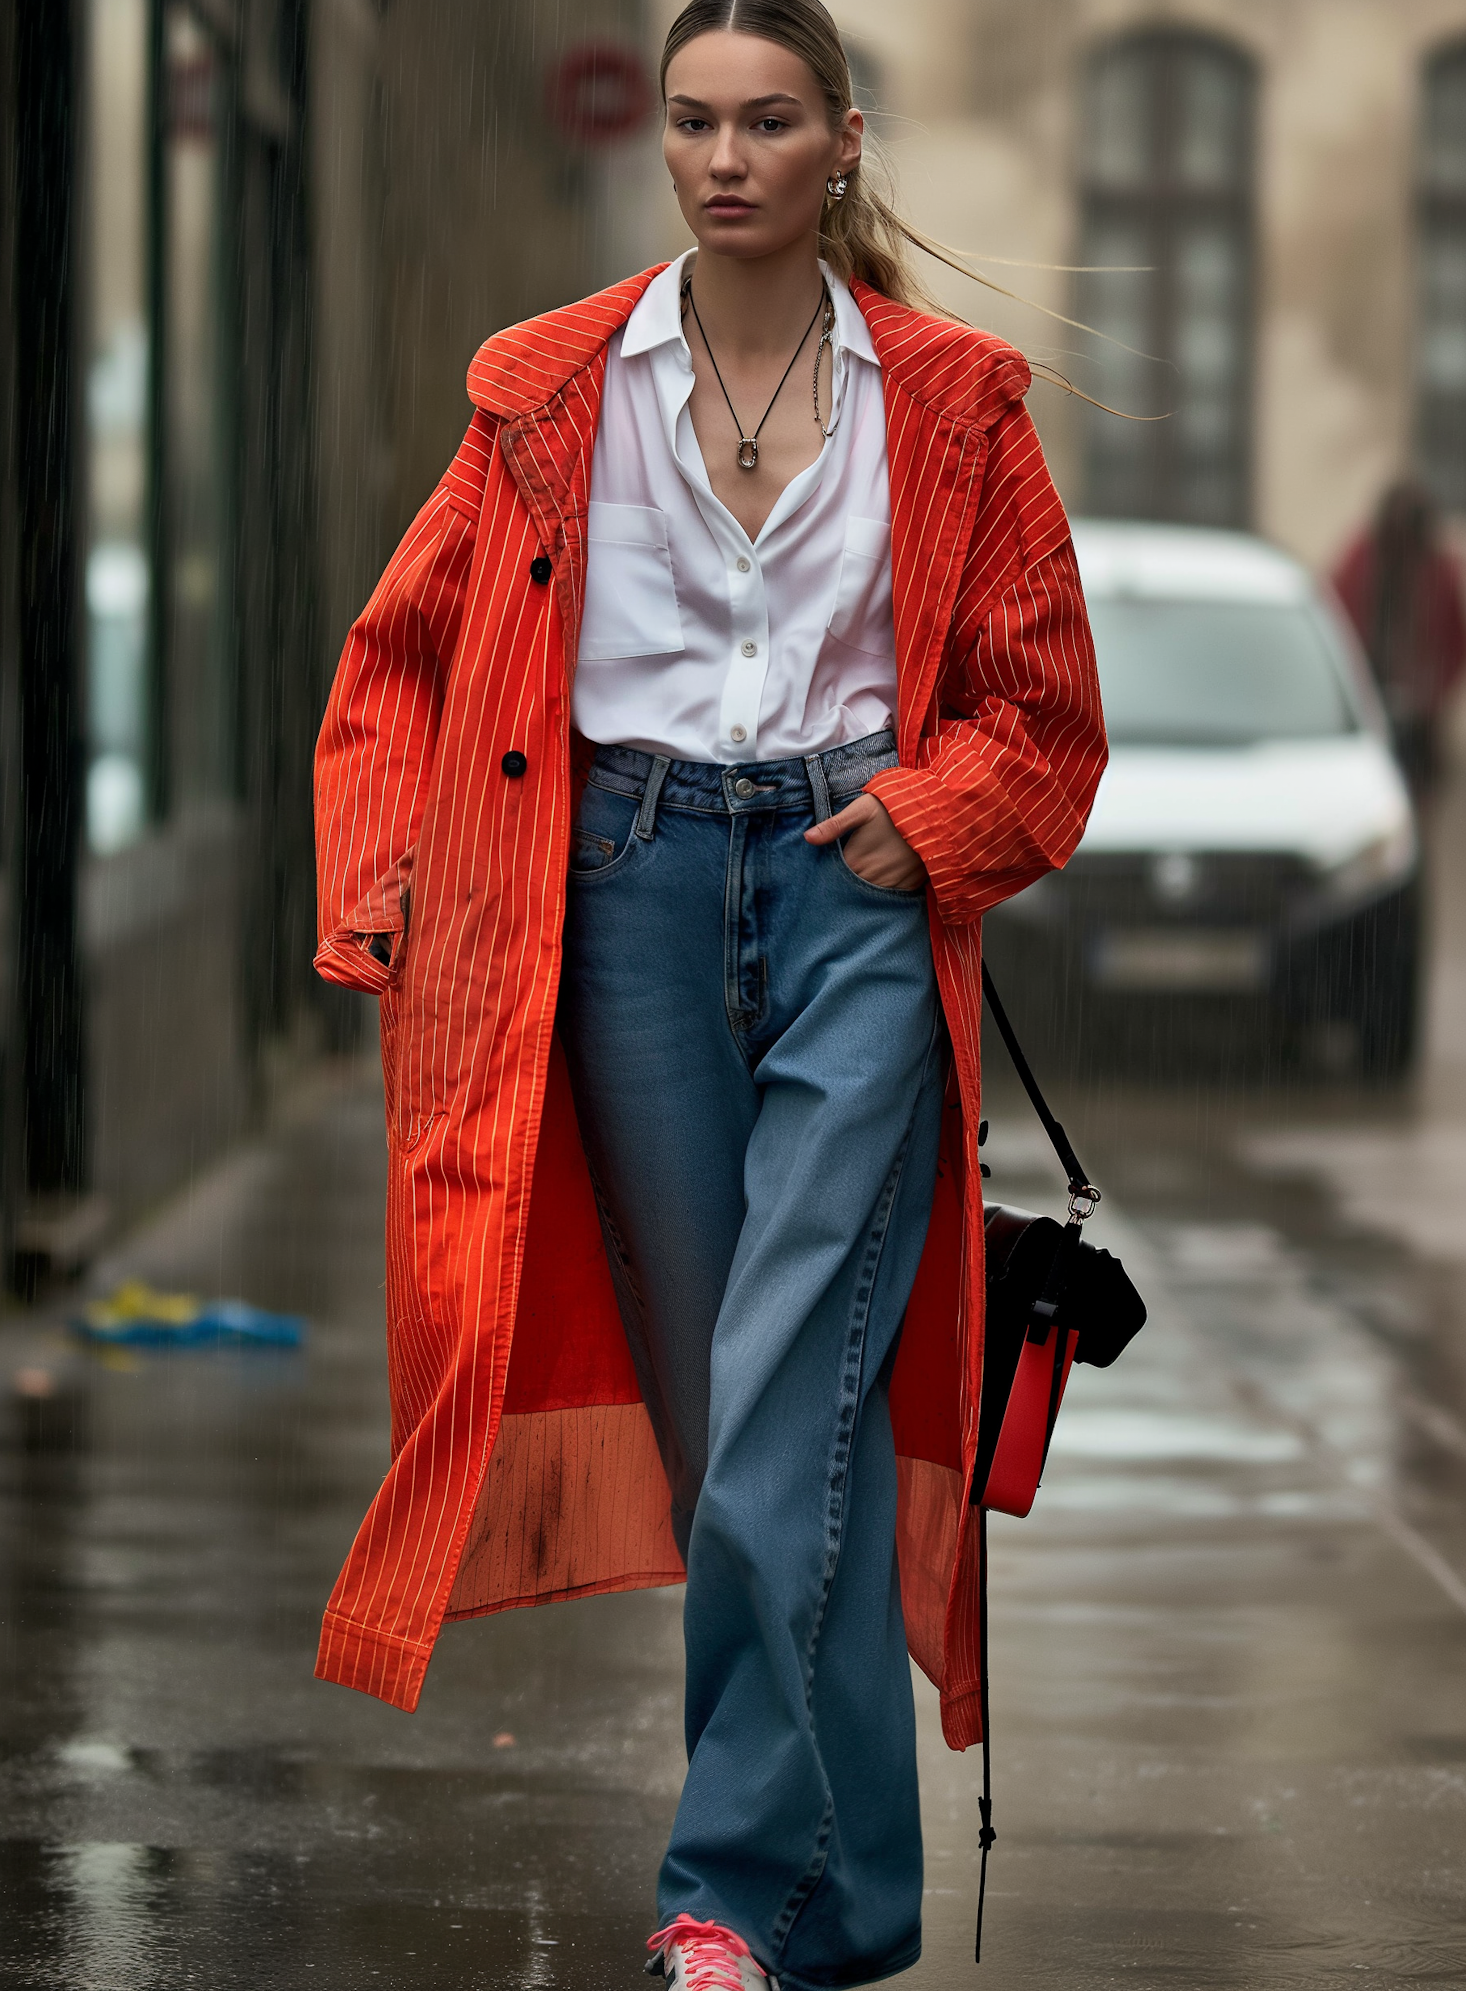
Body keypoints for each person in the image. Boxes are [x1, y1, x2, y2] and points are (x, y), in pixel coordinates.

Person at [311, 3, 1105, 1985]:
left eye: (767, 121)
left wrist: (938, 817)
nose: (724, 155)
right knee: (736, 1417)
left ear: (843, 142)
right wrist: (393, 874)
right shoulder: (548, 390)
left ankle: (725, 1891)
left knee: (778, 1397)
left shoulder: (957, 404)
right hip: (626, 895)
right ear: (664, 141)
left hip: (857, 885)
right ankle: (852, 1903)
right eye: (692, 121)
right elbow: (405, 650)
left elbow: (1050, 713)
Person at [1333, 479, 1466, 798]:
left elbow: (1456, 639)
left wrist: (1434, 695)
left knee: (1419, 793)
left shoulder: (1439, 568)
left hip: (1421, 715)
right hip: (1370, 698)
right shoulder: (1363, 558)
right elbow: (1337, 619)